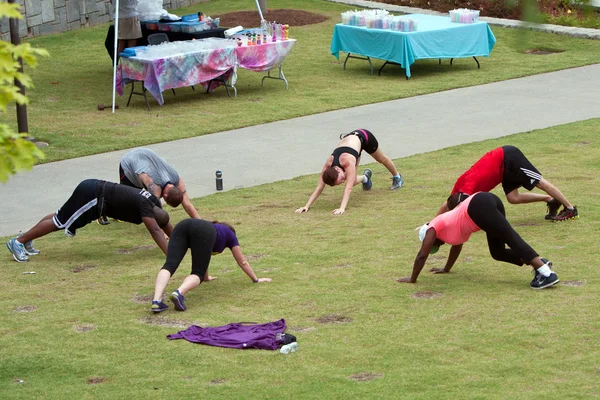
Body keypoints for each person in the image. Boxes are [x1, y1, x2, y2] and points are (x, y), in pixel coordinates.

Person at [398, 192, 560, 289]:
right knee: (497, 252)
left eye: (434, 245)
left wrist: (412, 279)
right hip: (484, 205)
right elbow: (457, 247)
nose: (437, 246)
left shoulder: (433, 227)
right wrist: (446, 268)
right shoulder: (449, 232)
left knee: (510, 237)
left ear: (430, 238)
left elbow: (422, 255)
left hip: (478, 206)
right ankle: (539, 262)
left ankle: (547, 274)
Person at [6, 179, 173, 262]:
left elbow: (163, 224)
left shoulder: (154, 201)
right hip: (93, 195)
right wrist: (170, 255)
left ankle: (27, 239)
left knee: (60, 216)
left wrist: (178, 239)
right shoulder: (146, 208)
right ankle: (19, 242)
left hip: (93, 187)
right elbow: (156, 230)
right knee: (60, 221)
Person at [151, 219, 272, 313]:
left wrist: (207, 277)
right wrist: (256, 279)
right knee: (198, 273)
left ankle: (156, 301)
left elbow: (203, 256)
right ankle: (179, 293)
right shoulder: (230, 235)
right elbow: (242, 262)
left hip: (182, 225)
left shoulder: (213, 228)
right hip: (201, 231)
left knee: (169, 265)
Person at [437, 145, 577, 221]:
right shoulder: (457, 190)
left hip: (508, 157)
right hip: (502, 171)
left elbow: (460, 210)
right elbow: (447, 205)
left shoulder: (467, 186)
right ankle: (550, 200)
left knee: (540, 182)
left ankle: (570, 209)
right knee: (513, 198)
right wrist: (432, 224)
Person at [295, 129, 404, 215]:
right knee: (351, 179)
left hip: (364, 137)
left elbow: (348, 188)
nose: (342, 181)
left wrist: (342, 208)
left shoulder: (347, 162)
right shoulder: (328, 165)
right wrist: (306, 206)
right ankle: (366, 178)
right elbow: (319, 187)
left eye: (341, 179)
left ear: (337, 169)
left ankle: (397, 177)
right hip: (352, 146)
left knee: (381, 159)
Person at [119, 148, 201, 219]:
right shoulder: (155, 187)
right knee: (127, 203)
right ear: (165, 196)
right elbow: (157, 211)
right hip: (129, 162)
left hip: (144, 155)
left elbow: (187, 204)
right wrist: (163, 233)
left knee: (138, 202)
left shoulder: (178, 180)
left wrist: (202, 224)